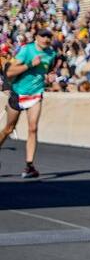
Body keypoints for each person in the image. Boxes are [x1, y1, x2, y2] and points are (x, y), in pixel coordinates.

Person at [0, 29, 58, 178]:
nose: (46, 39)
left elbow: (49, 70)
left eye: (49, 36)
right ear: (37, 37)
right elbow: (10, 72)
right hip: (18, 94)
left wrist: (50, 77)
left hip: (36, 94)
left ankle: (29, 166)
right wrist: (30, 64)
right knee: (8, 128)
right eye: (43, 36)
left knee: (33, 128)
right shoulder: (27, 50)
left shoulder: (51, 54)